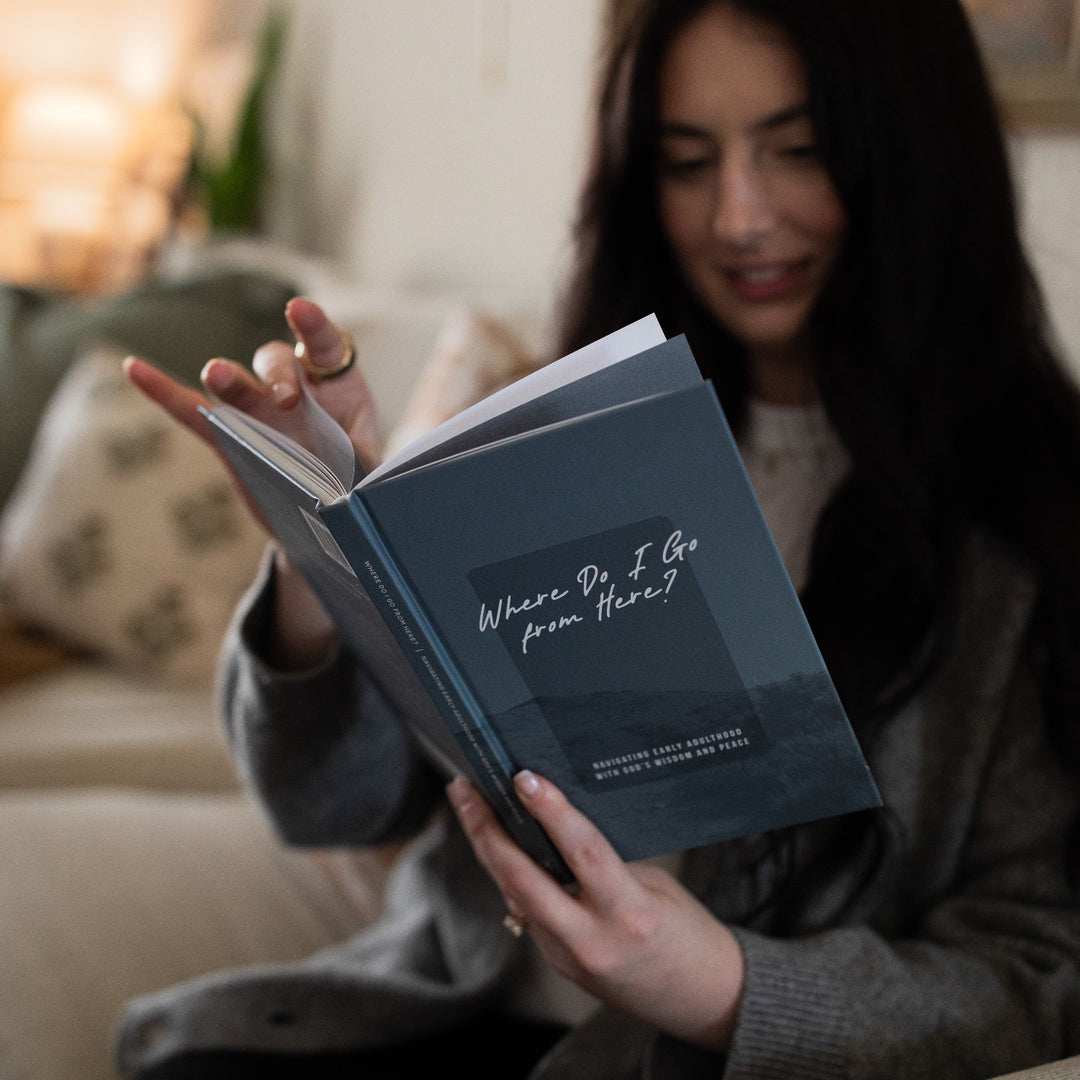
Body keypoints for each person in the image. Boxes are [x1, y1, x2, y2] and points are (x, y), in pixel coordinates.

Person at [117, 0, 1080, 1076]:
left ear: (917, 158)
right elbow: (326, 807)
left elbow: (1044, 965)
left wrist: (724, 987)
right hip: (447, 1012)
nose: (739, 217)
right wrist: (320, 550)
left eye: (799, 151)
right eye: (684, 162)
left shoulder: (1032, 522)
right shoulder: (552, 440)